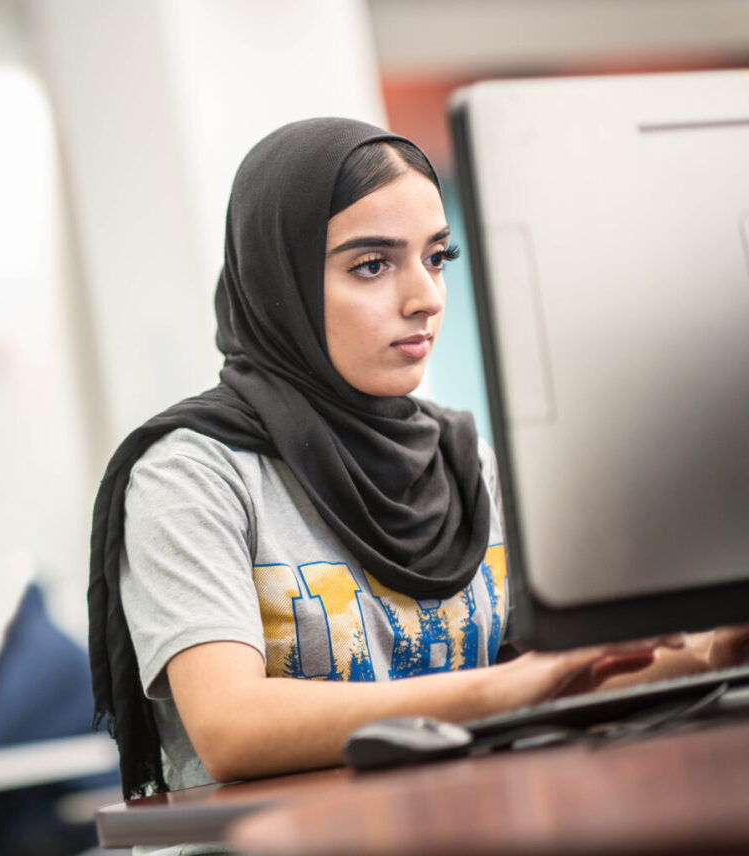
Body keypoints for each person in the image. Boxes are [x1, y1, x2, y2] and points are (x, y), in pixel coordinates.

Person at [88, 118, 749, 816]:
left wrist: (710, 655)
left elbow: (563, 681)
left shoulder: (466, 462)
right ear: (278, 281)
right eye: (372, 265)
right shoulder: (194, 473)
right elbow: (232, 728)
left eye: (436, 257)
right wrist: (503, 688)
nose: (426, 297)